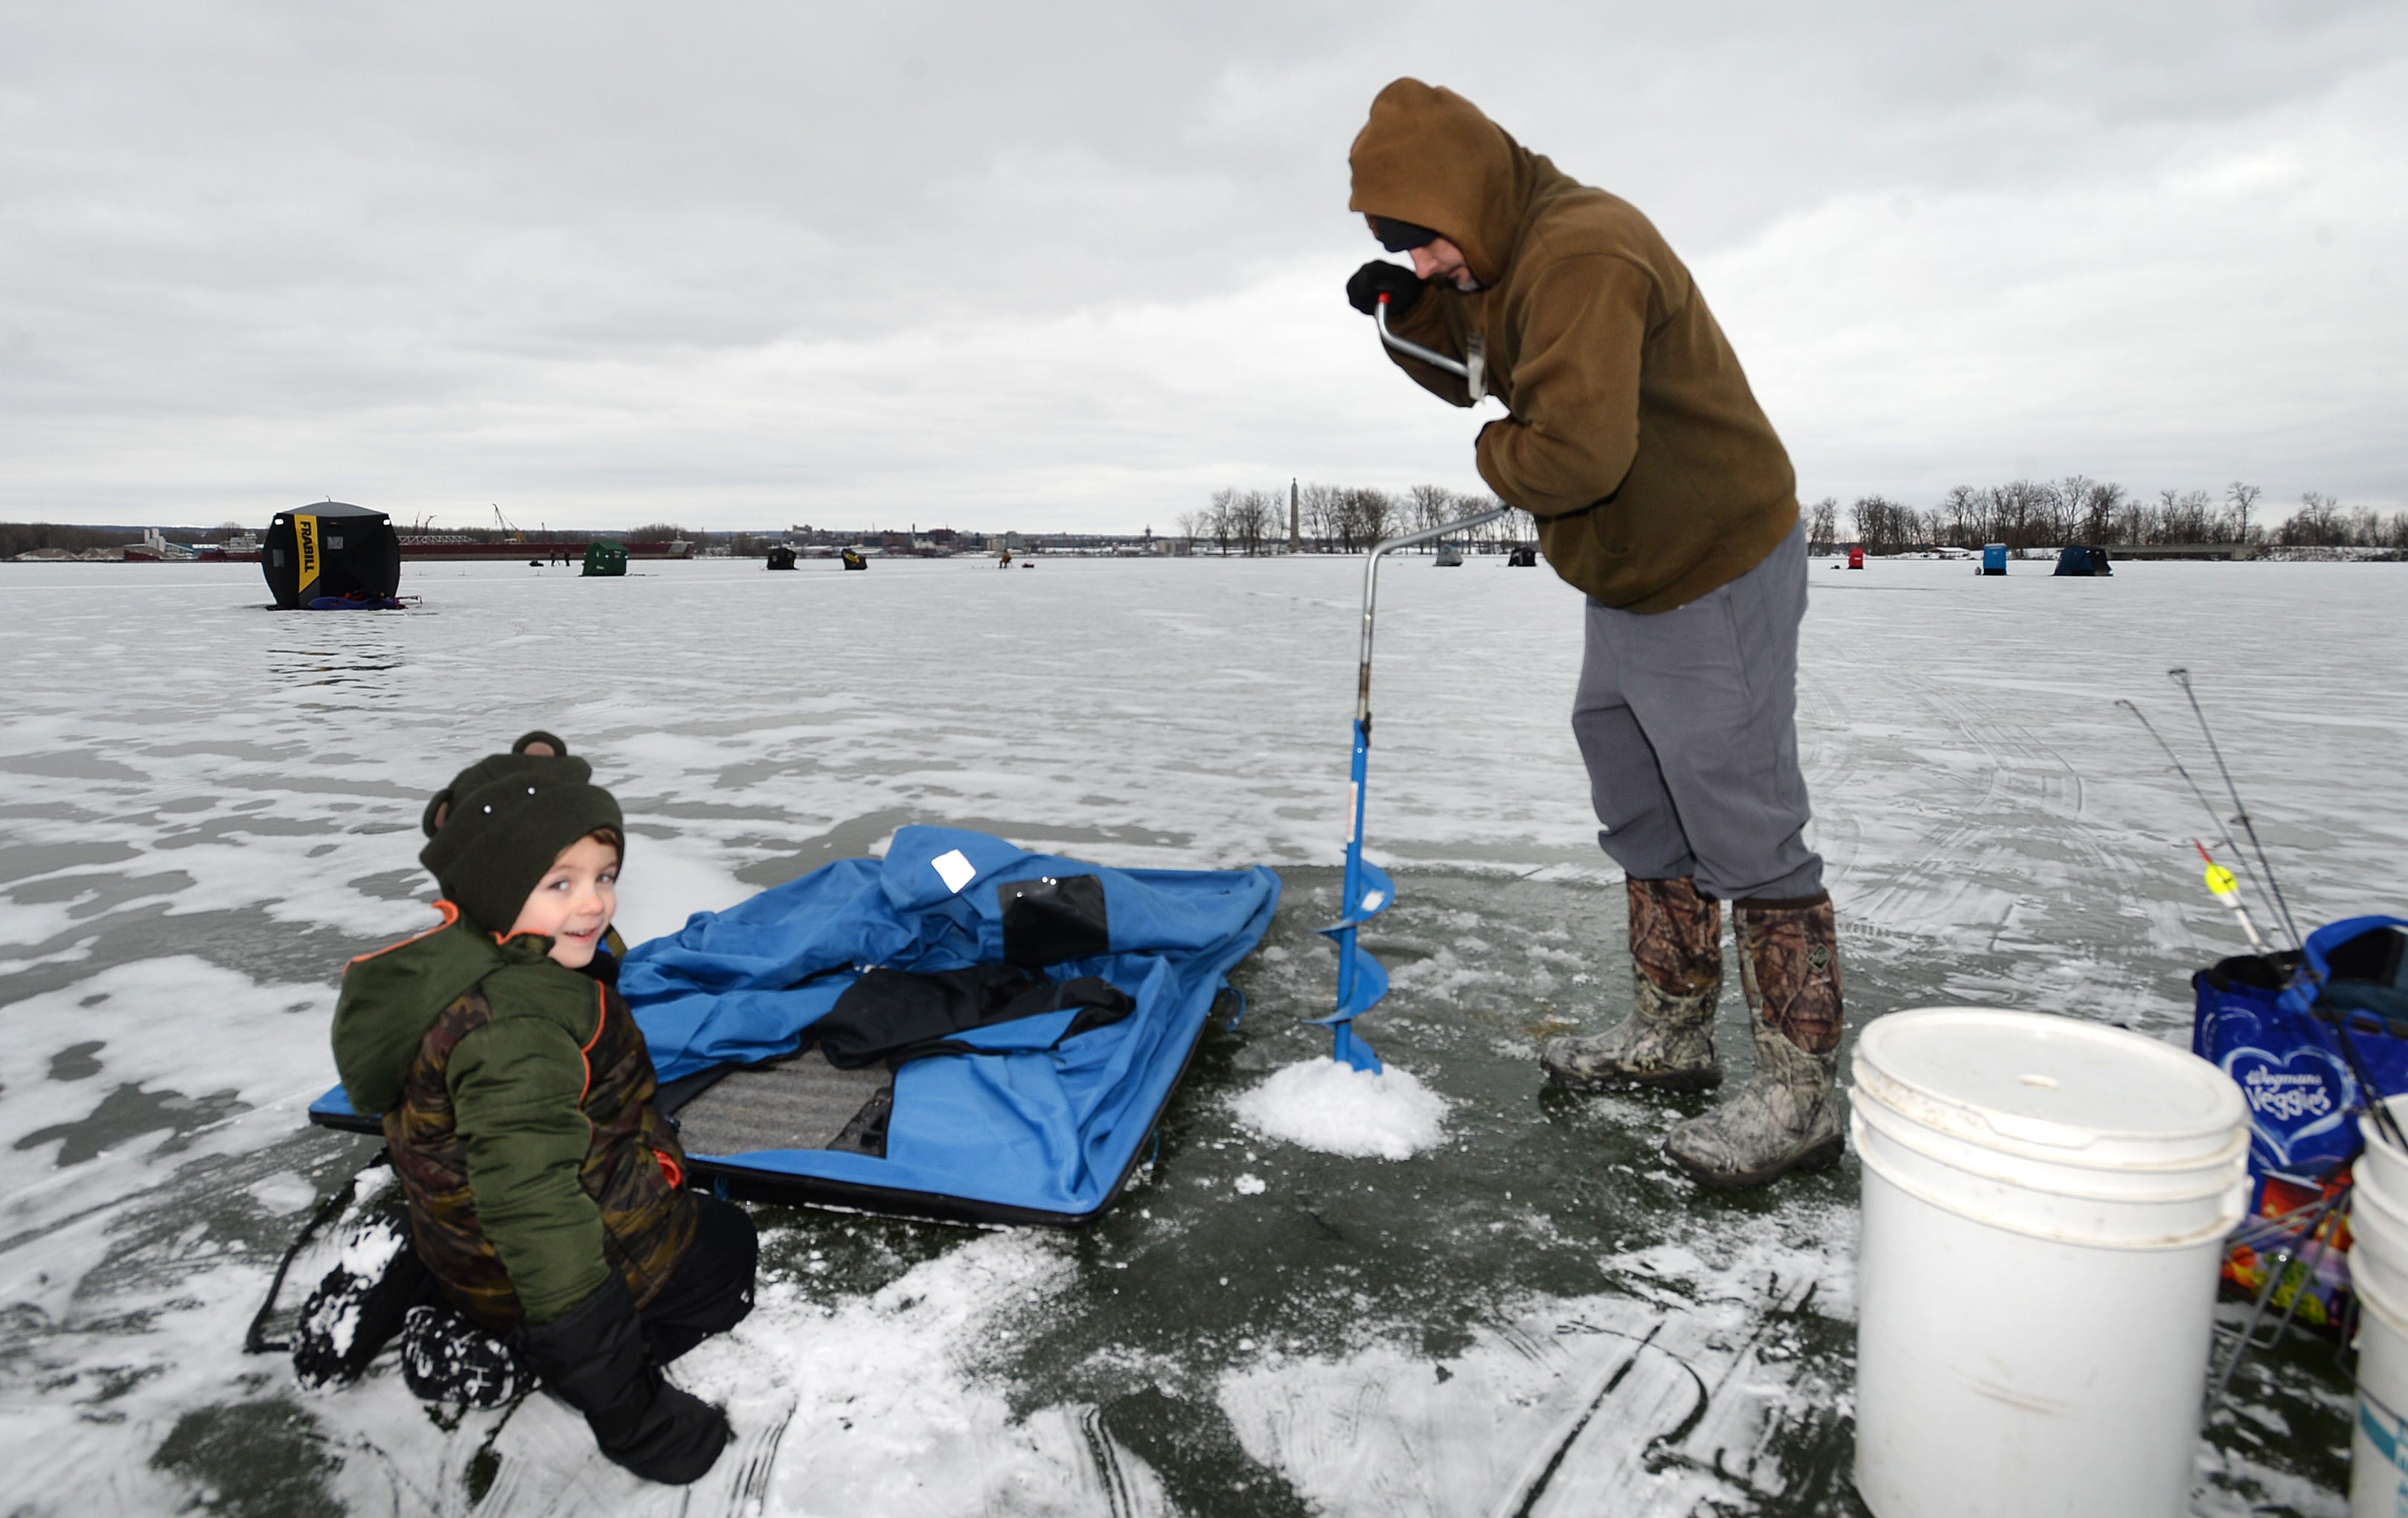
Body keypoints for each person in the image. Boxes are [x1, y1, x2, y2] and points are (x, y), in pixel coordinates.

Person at [1345, 80, 1844, 1190]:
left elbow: (1573, 457)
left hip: (1712, 562)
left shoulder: (1583, 253)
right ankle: (1670, 1036)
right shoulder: (1499, 254)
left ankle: (1801, 1097)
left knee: (1745, 820)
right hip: (1623, 577)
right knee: (1641, 805)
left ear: (1465, 195)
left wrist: (1490, 457)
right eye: (1403, 250)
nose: (1426, 263)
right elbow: (1480, 373)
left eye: (1422, 245)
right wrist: (1411, 311)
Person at [328, 731, 754, 1483]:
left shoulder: (456, 962)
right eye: (559, 883)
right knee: (726, 1250)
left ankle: (428, 1280)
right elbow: (535, 1210)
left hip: (462, 1240)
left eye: (604, 876)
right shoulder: (519, 1032)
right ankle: (519, 1357)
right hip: (525, 1268)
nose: (594, 902)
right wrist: (630, 1415)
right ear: (498, 885)